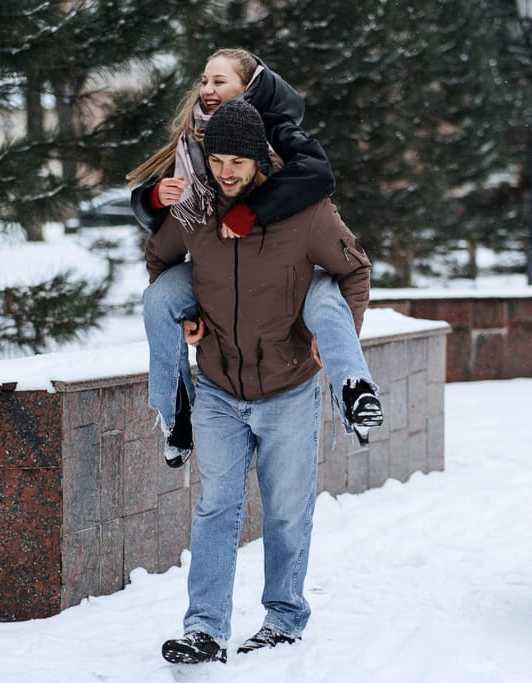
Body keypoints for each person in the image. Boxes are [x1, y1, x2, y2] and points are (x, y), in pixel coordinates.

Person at [148, 99, 372, 664]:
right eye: (218, 159)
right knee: (215, 509)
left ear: (260, 162)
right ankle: (204, 628)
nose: (227, 171)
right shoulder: (195, 213)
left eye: (238, 162)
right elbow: (158, 259)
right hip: (220, 389)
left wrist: (331, 337)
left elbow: (354, 269)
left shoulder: (306, 212)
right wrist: (186, 314)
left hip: (289, 388)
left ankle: (284, 617)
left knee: (286, 511)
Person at [128, 49, 381, 467]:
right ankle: (176, 411)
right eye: (205, 80)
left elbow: (317, 174)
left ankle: (353, 385)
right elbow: (157, 222)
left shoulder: (273, 127)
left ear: (249, 89)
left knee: (324, 298)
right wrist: (157, 197)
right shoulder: (195, 136)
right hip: (217, 272)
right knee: (159, 298)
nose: (207, 89)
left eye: (220, 82)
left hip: (283, 264)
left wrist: (252, 210)